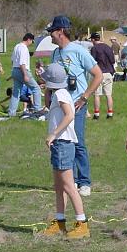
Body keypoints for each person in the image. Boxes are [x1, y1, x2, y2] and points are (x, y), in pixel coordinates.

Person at [48, 15, 103, 197]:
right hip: (61, 104)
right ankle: (68, 180)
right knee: (64, 142)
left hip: (76, 105)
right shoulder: (55, 53)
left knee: (78, 142)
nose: (50, 35)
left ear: (61, 32)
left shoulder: (78, 51)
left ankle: (84, 181)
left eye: (52, 32)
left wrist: (84, 97)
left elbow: (98, 75)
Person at [41, 63, 90, 239]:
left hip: (63, 143)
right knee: (59, 187)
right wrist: (46, 91)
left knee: (69, 186)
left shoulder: (61, 94)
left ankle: (82, 223)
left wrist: (53, 134)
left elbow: (69, 115)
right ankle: (60, 222)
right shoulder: (57, 93)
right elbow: (47, 106)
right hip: (58, 144)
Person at [8, 33, 43, 117]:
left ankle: (11, 112)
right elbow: (22, 63)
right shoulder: (24, 48)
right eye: (32, 41)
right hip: (22, 70)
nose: (31, 43)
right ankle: (37, 109)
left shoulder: (17, 46)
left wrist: (14, 71)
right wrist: (25, 75)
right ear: (29, 39)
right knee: (36, 88)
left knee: (16, 92)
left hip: (15, 70)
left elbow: (13, 60)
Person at [90, 32, 116, 119]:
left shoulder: (94, 48)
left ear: (93, 39)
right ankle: (110, 113)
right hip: (108, 72)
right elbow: (113, 60)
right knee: (108, 94)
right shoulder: (108, 47)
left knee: (97, 94)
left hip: (99, 73)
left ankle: (97, 114)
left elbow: (92, 62)